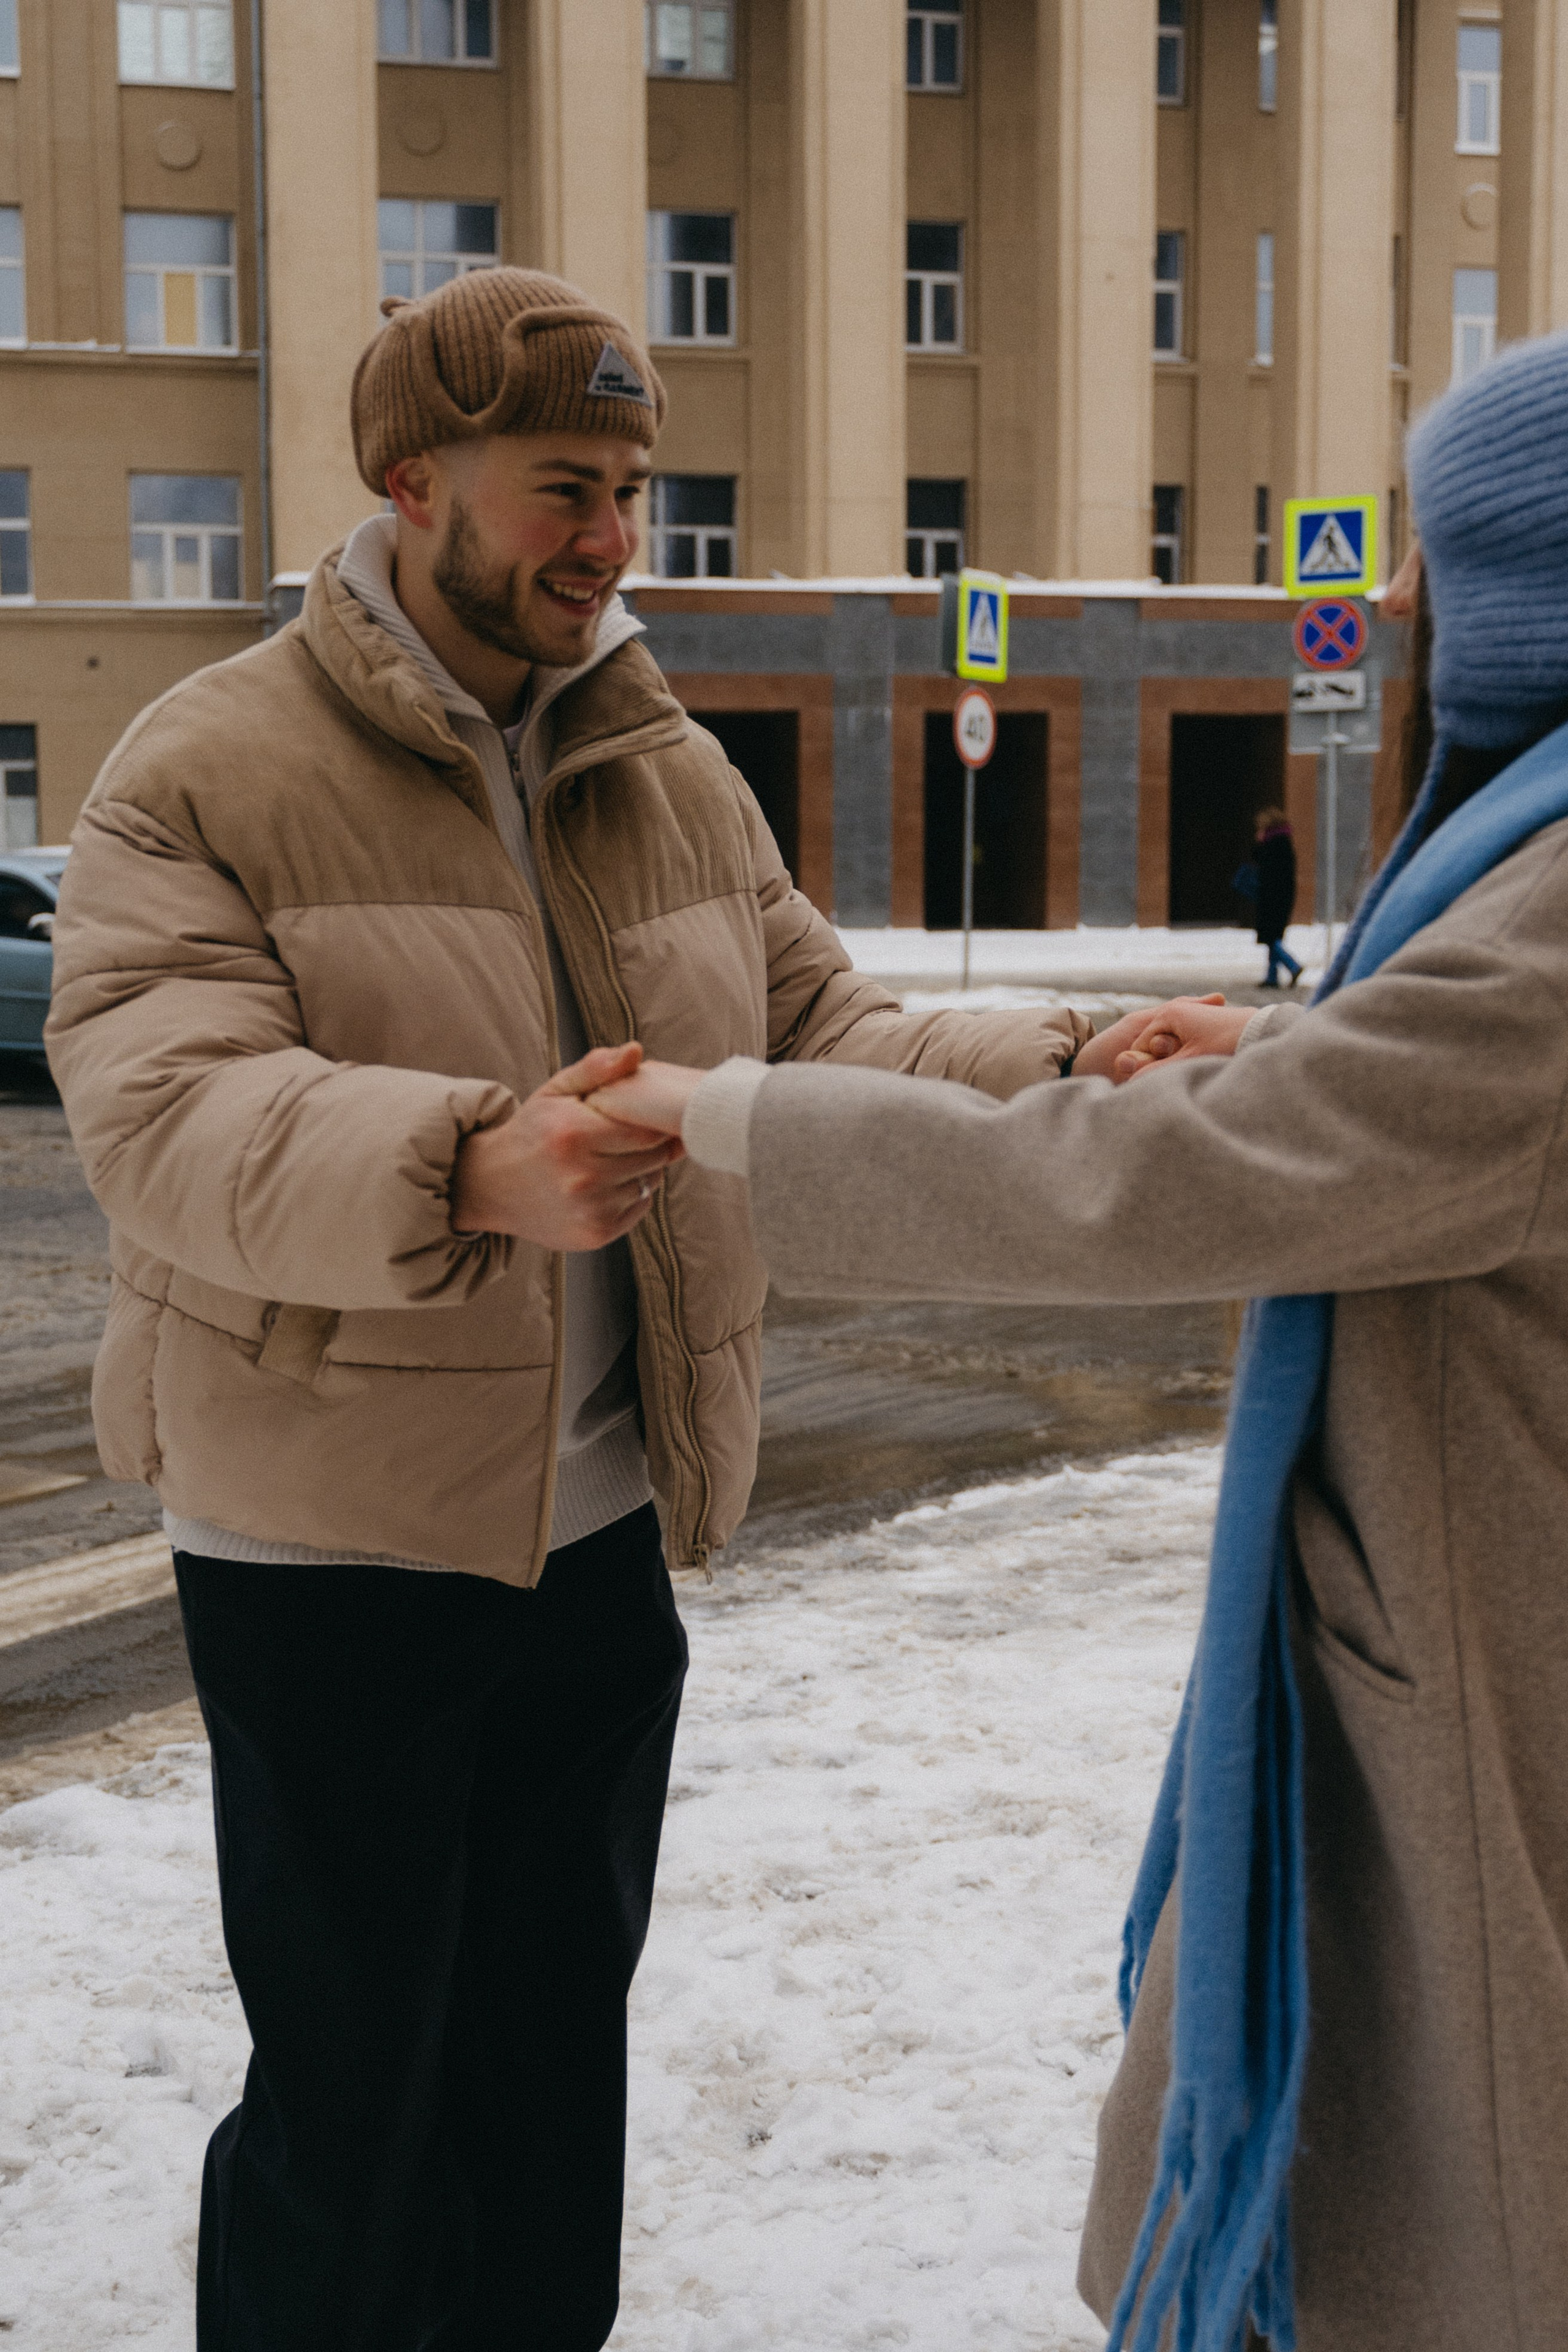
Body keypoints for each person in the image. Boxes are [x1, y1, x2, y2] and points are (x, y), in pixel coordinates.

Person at [43, 265, 1231, 2352]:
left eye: (630, 495)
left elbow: (823, 1019)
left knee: (545, 2071)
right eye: (563, 490)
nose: (610, 538)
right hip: (332, 1548)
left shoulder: (662, 762)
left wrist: (1073, 1050)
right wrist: (463, 1157)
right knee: (354, 2097)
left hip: (597, 1542)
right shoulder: (206, 761)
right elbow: (167, 1103)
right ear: (414, 484)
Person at [587, 330, 1568, 2350]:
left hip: (1503, 1669)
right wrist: (1308, 1045)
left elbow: (1138, 1186)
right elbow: (1451, 1116)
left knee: (1471, 2223)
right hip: (1480, 1619)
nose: (1390, 609)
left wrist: (729, 1115)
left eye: (1424, 564)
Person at [1251, 805, 1302, 987]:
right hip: (1282, 895)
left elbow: (1263, 866)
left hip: (1272, 896)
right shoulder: (1284, 842)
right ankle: (1272, 977)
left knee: (1271, 937)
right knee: (1274, 936)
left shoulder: (1274, 844)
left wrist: (1260, 844)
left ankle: (1292, 965)